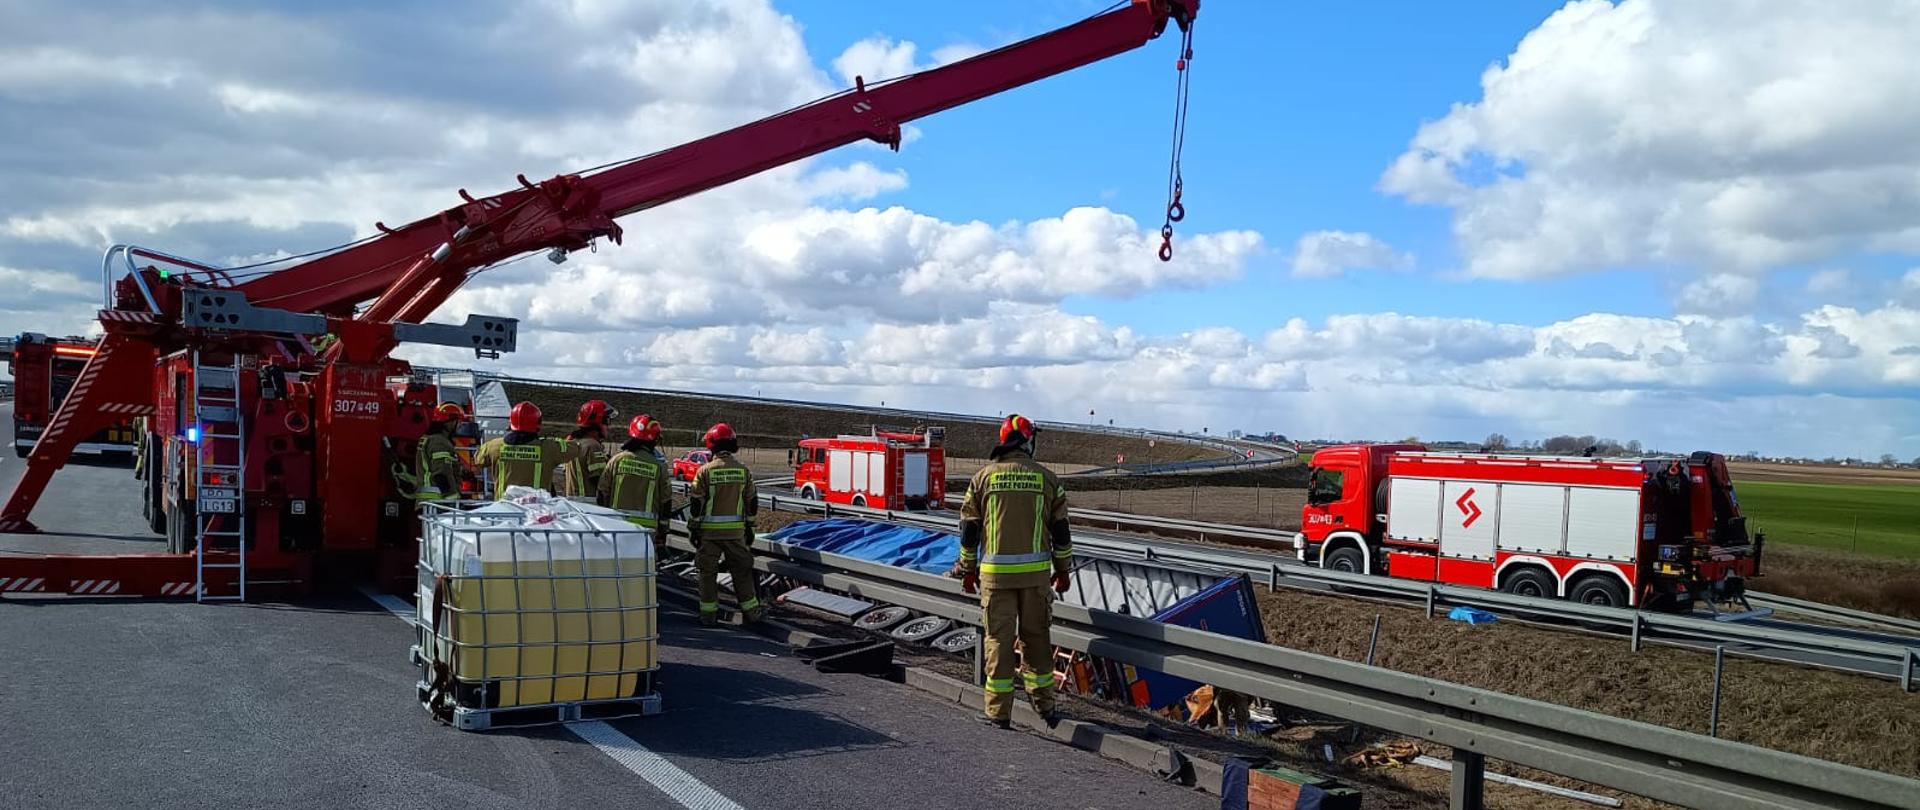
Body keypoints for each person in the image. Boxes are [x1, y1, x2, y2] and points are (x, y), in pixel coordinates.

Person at [956, 413, 1073, 728]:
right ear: (1027, 441)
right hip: (1036, 579)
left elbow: (969, 531)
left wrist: (967, 570)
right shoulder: (1048, 480)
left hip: (995, 579)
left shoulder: (982, 479)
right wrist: (1063, 571)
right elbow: (1061, 532)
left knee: (998, 641)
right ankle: (1045, 706)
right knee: (1037, 638)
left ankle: (998, 713)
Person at [689, 422, 761, 626]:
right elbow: (752, 502)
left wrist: (694, 528)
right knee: (742, 572)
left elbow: (696, 504)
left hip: (709, 535)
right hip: (736, 534)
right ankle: (752, 613)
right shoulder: (743, 471)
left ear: (711, 444)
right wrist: (750, 527)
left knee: (707, 574)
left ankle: (708, 616)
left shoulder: (705, 471)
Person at [473, 401, 583, 499]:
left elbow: (477, 459)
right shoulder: (549, 447)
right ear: (537, 424)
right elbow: (575, 448)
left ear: (511, 422)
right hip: (537, 509)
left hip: (504, 509)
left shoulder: (493, 446)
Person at [598, 414, 675, 546]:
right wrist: (663, 529)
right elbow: (666, 501)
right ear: (654, 439)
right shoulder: (659, 467)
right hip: (646, 531)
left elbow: (602, 493)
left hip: (616, 527)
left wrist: (602, 521)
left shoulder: (616, 461)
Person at [558, 399, 615, 498]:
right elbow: (600, 482)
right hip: (588, 503)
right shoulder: (593, 446)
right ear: (597, 423)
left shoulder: (571, 443)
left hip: (571, 502)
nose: (608, 427)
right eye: (607, 421)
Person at [412, 403, 465, 501]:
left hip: (427, 501)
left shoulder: (429, 439)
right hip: (437, 501)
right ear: (449, 422)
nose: (460, 425)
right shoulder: (440, 442)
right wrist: (451, 497)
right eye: (458, 421)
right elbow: (441, 473)